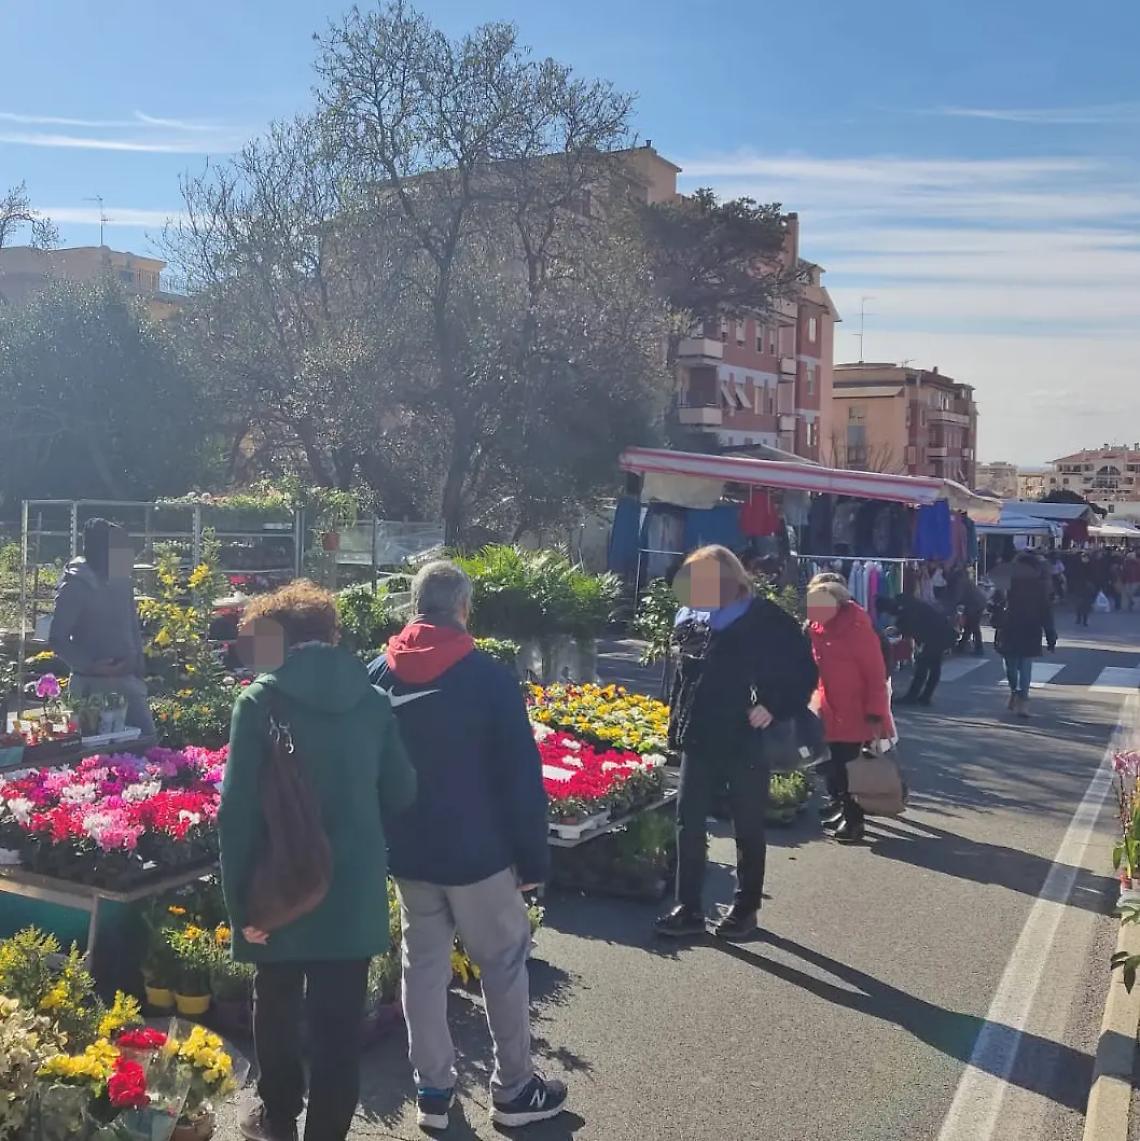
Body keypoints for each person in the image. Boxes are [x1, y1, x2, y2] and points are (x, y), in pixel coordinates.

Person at [368, 562, 565, 1132]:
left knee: (422, 967)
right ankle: (514, 1088)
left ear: (414, 605)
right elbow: (520, 777)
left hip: (407, 851)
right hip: (478, 854)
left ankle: (432, 1091)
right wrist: (533, 859)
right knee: (502, 964)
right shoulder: (487, 677)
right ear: (462, 608)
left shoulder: (378, 672)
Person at [219, 581, 417, 1141]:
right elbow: (402, 791)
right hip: (350, 890)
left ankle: (277, 1117)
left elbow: (235, 815)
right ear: (330, 635)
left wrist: (240, 908)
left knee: (276, 1004)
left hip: (278, 884)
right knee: (338, 1028)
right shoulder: (373, 700)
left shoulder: (260, 701)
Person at [654, 545, 817, 942]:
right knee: (688, 822)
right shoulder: (691, 616)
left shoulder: (765, 619)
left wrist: (773, 706)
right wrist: (674, 724)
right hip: (700, 735)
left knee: (747, 824)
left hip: (745, 738)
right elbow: (683, 679)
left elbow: (803, 670)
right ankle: (688, 907)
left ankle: (745, 910)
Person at [805, 577, 894, 844]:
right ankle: (844, 808)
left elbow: (875, 672)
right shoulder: (817, 628)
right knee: (832, 766)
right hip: (829, 706)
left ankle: (854, 821)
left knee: (849, 768)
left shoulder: (857, 628)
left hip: (856, 709)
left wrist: (876, 711)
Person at [49, 518, 155, 737]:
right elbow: (57, 638)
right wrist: (90, 666)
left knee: (146, 744)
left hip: (127, 682)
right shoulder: (75, 585)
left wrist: (137, 662)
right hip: (91, 686)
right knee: (94, 758)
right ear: (100, 549)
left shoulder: (121, 579)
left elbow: (131, 623)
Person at [992, 553, 1057, 718]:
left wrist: (1050, 634)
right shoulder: (1006, 584)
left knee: (1023, 665)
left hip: (1027, 629)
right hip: (1013, 629)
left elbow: (1045, 612)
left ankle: (1023, 700)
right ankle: (1015, 692)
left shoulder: (1038, 587)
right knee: (1012, 666)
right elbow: (994, 602)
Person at [877, 593, 955, 707]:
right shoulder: (904, 601)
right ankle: (925, 697)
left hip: (937, 635)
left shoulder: (905, 611)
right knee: (933, 665)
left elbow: (910, 629)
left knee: (924, 664)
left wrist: (898, 631)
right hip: (942, 629)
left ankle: (913, 696)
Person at [948, 569, 987, 657]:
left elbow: (958, 597)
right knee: (969, 626)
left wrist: (952, 604)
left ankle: (979, 648)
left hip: (975, 605)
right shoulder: (965, 580)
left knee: (973, 626)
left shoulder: (960, 583)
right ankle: (962, 646)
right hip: (977, 603)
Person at [1070, 553, 1096, 627]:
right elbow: (1073, 575)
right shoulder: (1078, 565)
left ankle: (1084, 619)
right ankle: (1079, 618)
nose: (1085, 559)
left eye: (1086, 557)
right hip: (1079, 586)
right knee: (1079, 603)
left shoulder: (1090, 566)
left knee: (1086, 604)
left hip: (1087, 587)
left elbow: (1094, 576)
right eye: (1083, 557)